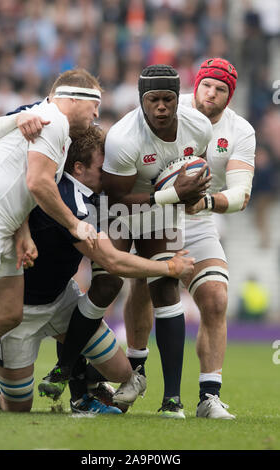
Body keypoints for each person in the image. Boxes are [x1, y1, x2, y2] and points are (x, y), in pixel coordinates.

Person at [0, 124, 195, 414]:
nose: (107, 171)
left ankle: (82, 392)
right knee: (16, 406)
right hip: (21, 309)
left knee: (122, 373)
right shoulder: (66, 200)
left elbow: (127, 203)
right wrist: (170, 266)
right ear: (79, 168)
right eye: (101, 165)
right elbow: (112, 261)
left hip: (61, 300)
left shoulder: (90, 191)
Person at [122, 58, 256, 419]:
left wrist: (205, 202)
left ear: (230, 96)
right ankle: (134, 373)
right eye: (206, 85)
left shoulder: (239, 131)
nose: (210, 94)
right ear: (195, 86)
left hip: (199, 219)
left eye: (221, 89)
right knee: (143, 287)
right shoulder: (165, 106)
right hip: (152, 215)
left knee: (215, 298)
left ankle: (208, 396)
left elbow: (242, 194)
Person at [99, 63, 213, 418]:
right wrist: (171, 195)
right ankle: (78, 379)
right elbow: (115, 196)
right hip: (122, 208)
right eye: (153, 100)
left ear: (179, 100)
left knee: (165, 288)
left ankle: (172, 400)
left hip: (161, 210)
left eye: (168, 99)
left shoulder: (200, 126)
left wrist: (193, 193)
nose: (161, 107)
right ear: (141, 101)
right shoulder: (123, 137)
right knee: (106, 286)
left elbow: (197, 168)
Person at [0, 68, 102, 362]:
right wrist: (75, 225)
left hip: (8, 224)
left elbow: (1, 148)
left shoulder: (47, 119)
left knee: (8, 313)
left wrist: (23, 232)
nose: (97, 114)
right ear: (73, 99)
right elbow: (37, 183)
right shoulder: (54, 121)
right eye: (94, 105)